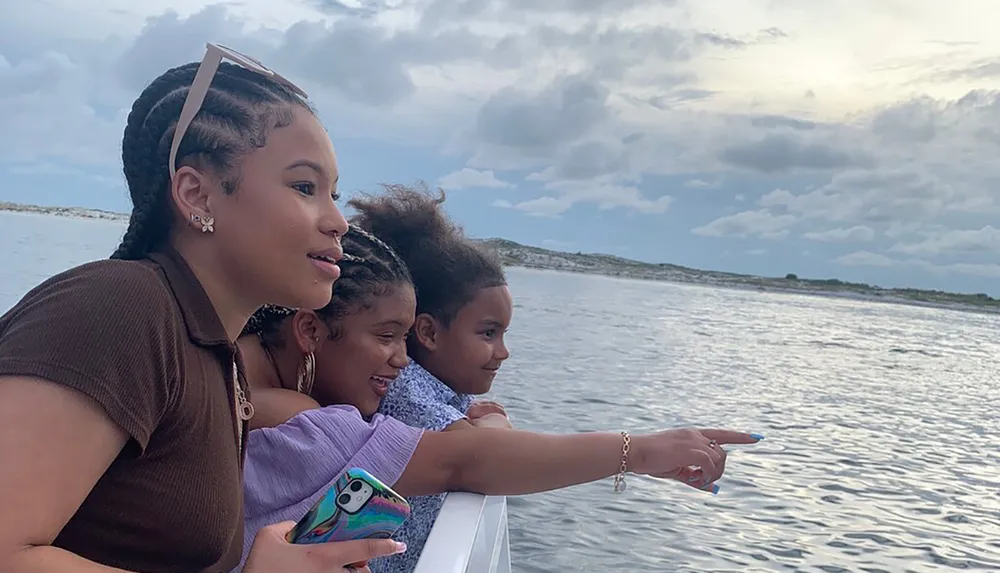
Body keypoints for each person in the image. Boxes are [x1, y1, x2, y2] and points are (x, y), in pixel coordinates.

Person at [0, 43, 404, 573]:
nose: (339, 222)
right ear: (197, 195)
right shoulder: (116, 307)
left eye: (333, 193)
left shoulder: (217, 356)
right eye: (305, 186)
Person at [238, 223, 764, 572]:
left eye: (404, 338)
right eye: (385, 336)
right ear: (309, 329)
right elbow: (463, 460)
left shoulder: (227, 371)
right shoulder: (292, 417)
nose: (402, 360)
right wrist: (643, 451)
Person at [348, 184, 516, 571]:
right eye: (489, 333)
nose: (503, 352)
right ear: (428, 333)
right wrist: (492, 422)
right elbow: (483, 456)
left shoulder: (437, 390)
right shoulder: (405, 390)